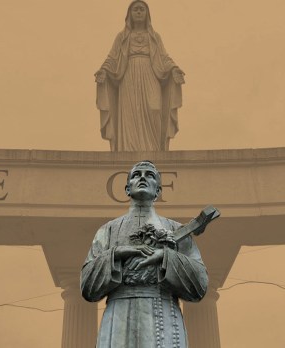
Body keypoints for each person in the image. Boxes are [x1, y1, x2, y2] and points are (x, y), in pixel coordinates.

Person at [80, 161, 208, 348]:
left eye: (149, 175)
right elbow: (87, 286)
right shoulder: (107, 230)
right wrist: (117, 254)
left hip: (163, 312)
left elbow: (200, 284)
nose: (142, 177)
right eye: (136, 174)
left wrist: (165, 257)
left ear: (158, 191)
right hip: (118, 315)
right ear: (127, 189)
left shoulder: (175, 229)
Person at [95, 1, 185, 151]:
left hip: (150, 75)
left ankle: (154, 150)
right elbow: (112, 58)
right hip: (128, 77)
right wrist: (103, 70)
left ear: (147, 14)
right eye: (135, 9)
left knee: (154, 109)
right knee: (131, 114)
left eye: (141, 9)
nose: (138, 12)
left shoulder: (155, 37)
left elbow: (164, 57)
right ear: (129, 14)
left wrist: (174, 68)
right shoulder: (122, 37)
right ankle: (128, 149)